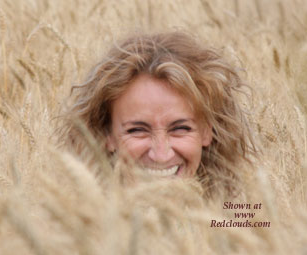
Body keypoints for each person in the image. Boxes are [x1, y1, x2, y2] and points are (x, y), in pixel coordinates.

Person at [60, 31, 255, 197]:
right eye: (137, 130)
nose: (161, 155)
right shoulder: (71, 235)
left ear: (206, 131)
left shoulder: (239, 226)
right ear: (107, 134)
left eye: (180, 128)